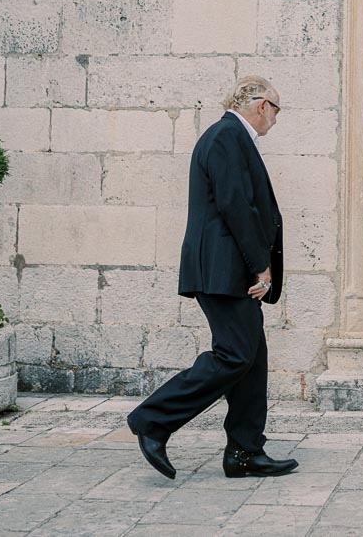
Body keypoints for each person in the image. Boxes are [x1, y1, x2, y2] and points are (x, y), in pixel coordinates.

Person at [127, 76, 297, 480]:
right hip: (223, 268)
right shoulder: (226, 136)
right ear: (260, 105)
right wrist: (260, 265)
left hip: (229, 267)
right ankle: (153, 419)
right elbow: (235, 205)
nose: (276, 118)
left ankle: (245, 451)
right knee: (235, 354)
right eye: (277, 109)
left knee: (252, 358)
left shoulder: (231, 137)